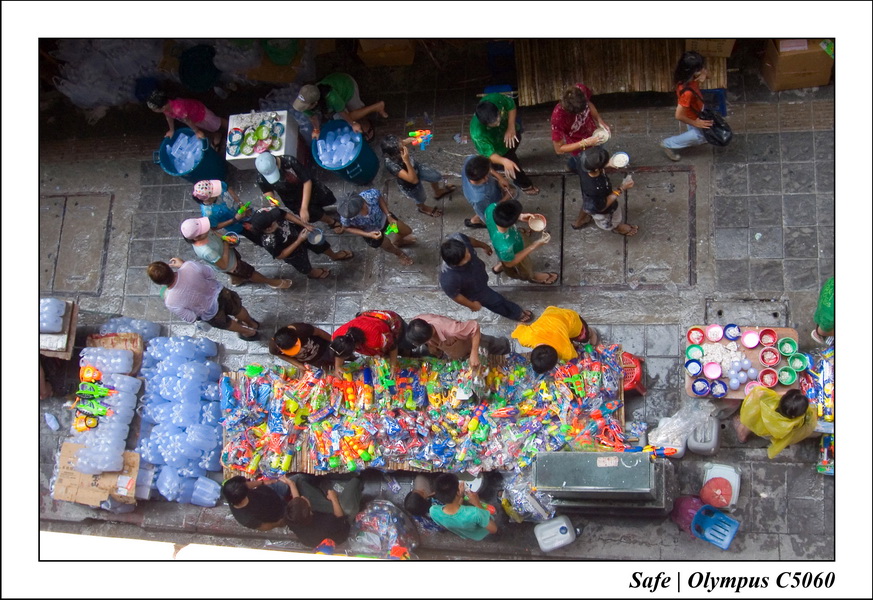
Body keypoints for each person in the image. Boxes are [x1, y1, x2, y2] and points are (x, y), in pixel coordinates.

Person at [146, 259, 259, 339]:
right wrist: (184, 264)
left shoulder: (171, 301)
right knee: (238, 309)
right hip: (222, 294)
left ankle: (248, 332)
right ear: (169, 267)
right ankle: (252, 323)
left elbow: (191, 318)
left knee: (228, 323)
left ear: (159, 283)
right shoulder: (189, 266)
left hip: (211, 313)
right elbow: (210, 273)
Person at [438, 233, 533, 323]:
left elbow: (470, 241)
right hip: (475, 291)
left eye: (467, 252)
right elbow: (455, 296)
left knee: (494, 297)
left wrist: (484, 246)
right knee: (496, 301)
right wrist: (472, 305)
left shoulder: (459, 239)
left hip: (479, 278)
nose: (469, 255)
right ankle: (515, 313)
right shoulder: (448, 279)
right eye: (465, 258)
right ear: (454, 263)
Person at [180, 217, 292, 289]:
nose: (207, 228)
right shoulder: (206, 251)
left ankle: (236, 279)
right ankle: (271, 282)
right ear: (197, 237)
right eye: (204, 230)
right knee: (250, 273)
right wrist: (225, 244)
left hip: (229, 253)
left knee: (238, 273)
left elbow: (214, 233)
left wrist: (225, 239)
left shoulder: (204, 232)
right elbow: (223, 265)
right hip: (231, 265)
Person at [248, 207, 353, 280]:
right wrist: (299, 240)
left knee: (321, 244)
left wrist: (304, 225)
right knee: (303, 265)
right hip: (292, 252)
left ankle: (334, 256)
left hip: (300, 233)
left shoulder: (267, 212)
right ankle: (312, 273)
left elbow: (285, 214)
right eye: (274, 221)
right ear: (269, 228)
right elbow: (281, 255)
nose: (277, 218)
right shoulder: (268, 241)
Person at [470, 92, 538, 195]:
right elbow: (489, 154)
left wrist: (511, 127)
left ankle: (504, 163)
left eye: (498, 119)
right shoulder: (477, 132)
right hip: (498, 149)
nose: (498, 123)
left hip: (510, 134)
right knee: (513, 167)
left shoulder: (495, 98)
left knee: (515, 145)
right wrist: (504, 161)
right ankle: (525, 185)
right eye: (494, 124)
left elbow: (510, 105)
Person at [255, 152, 342, 230]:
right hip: (292, 199)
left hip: (309, 189)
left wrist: (304, 207)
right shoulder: (261, 177)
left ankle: (333, 210)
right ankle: (331, 221)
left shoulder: (289, 161)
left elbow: (307, 181)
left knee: (324, 199)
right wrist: (272, 200)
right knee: (313, 214)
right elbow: (267, 191)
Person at [293, 73, 388, 141]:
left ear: (315, 103)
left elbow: (343, 112)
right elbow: (312, 117)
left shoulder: (331, 97)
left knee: (355, 114)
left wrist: (353, 124)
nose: (303, 108)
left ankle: (376, 108)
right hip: (336, 95)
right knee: (342, 118)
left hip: (347, 87)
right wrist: (316, 130)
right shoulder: (305, 104)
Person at [380, 134, 456, 218]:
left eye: (401, 141)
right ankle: (423, 208)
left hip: (416, 168)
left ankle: (437, 192)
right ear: (396, 153)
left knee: (435, 176)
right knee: (421, 197)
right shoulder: (391, 164)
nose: (403, 144)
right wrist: (407, 160)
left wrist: (417, 139)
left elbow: (405, 141)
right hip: (410, 183)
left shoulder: (398, 148)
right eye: (401, 145)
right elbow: (413, 180)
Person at [484, 199, 557, 284]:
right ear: (511, 223)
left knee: (505, 258)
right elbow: (510, 263)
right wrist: (535, 245)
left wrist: (520, 216)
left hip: (509, 245)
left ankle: (500, 265)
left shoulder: (492, 207)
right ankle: (533, 277)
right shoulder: (505, 246)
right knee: (524, 269)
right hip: (514, 253)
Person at [336, 190, 416, 266]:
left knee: (406, 231)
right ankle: (399, 254)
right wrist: (368, 234)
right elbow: (346, 228)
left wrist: (388, 215)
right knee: (387, 245)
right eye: (359, 211)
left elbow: (380, 198)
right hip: (370, 231)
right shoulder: (346, 217)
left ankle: (398, 241)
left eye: (363, 206)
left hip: (385, 219)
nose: (364, 211)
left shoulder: (370, 195)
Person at [659, 51, 714, 162]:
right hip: (693, 115)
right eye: (699, 69)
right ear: (692, 72)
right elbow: (679, 115)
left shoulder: (689, 76)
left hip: (698, 108)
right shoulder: (687, 93)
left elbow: (709, 75)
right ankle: (668, 144)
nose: (702, 69)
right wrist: (695, 122)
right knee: (699, 136)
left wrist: (704, 73)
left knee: (700, 131)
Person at [733, 388, 817, 459]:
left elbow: (758, 395)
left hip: (762, 426)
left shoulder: (770, 406)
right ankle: (743, 436)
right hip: (773, 434)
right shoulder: (798, 421)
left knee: (749, 423)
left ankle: (742, 437)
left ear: (781, 400)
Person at [511, 306, 599, 374]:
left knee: (583, 336)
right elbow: (519, 325)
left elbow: (574, 357)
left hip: (569, 318)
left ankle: (592, 332)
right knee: (565, 337)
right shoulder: (526, 338)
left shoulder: (564, 350)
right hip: (551, 312)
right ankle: (570, 338)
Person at [405, 314, 511, 370]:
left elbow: (475, 327)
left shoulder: (452, 330)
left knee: (492, 344)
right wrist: (431, 345)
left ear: (428, 337)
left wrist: (474, 354)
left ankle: (506, 346)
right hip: (457, 348)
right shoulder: (418, 322)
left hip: (469, 340)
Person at [574, 146, 639, 235]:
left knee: (587, 206)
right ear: (597, 169)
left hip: (588, 198)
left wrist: (608, 164)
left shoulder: (582, 161)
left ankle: (578, 222)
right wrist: (621, 188)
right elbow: (602, 206)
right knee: (610, 220)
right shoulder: (595, 188)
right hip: (602, 209)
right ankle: (617, 228)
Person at [284, 475, 362, 546]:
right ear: (310, 510)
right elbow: (340, 519)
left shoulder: (291, 518)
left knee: (299, 481)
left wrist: (291, 484)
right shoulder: (326, 523)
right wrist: (334, 498)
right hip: (339, 528)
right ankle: (358, 479)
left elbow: (297, 508)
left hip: (317, 523)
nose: (303, 497)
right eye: (304, 500)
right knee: (347, 508)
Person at [550, 83, 610, 173]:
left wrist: (599, 120)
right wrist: (585, 143)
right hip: (578, 145)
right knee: (583, 163)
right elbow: (559, 149)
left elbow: (589, 104)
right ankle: (572, 166)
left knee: (597, 156)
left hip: (594, 133)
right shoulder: (558, 118)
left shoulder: (581, 90)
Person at [330, 310, 406, 373]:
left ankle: (408, 351)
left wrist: (393, 366)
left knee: (404, 343)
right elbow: (339, 352)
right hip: (369, 321)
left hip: (388, 320)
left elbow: (393, 346)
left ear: (354, 348)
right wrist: (338, 366)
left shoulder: (375, 341)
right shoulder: (336, 336)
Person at [428, 473, 497, 541]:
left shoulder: (433, 511)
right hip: (482, 534)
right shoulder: (475, 513)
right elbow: (493, 529)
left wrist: (460, 497)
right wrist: (477, 503)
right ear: (457, 492)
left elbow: (455, 514)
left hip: (465, 534)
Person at [146, 89, 227, 148]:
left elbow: (187, 120)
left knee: (216, 122)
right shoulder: (166, 109)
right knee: (209, 127)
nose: (153, 111)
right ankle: (217, 135)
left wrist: (197, 131)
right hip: (194, 118)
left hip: (201, 113)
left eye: (154, 109)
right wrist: (171, 130)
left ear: (162, 107)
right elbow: (169, 117)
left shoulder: (178, 109)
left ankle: (231, 125)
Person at [191, 179, 259, 244]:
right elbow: (214, 227)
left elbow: (228, 188)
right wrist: (235, 219)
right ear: (209, 199)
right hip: (235, 225)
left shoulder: (215, 186)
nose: (219, 191)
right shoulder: (208, 213)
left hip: (241, 210)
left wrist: (240, 203)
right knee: (252, 235)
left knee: (257, 221)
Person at [460, 155, 514, 229]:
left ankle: (475, 220)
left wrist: (500, 178)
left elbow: (488, 168)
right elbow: (489, 210)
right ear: (485, 178)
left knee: (480, 209)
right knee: (486, 214)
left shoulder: (471, 161)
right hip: (487, 203)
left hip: (487, 199)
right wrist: (506, 198)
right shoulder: (480, 198)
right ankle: (478, 222)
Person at [222, 475, 292, 531]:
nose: (247, 484)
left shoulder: (229, 492)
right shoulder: (246, 518)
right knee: (297, 481)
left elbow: (247, 485)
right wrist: (280, 523)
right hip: (281, 512)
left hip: (272, 492)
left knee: (294, 478)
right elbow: (265, 527)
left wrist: (263, 482)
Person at [269, 323, 335, 371]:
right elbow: (280, 355)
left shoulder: (302, 329)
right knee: (328, 367)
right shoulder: (273, 348)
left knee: (337, 357)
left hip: (324, 347)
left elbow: (320, 332)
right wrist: (298, 365)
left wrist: (334, 342)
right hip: (312, 361)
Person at [811, 277, 835, 344]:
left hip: (822, 312)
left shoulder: (831, 281)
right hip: (825, 320)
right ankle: (818, 335)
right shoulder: (830, 316)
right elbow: (822, 331)